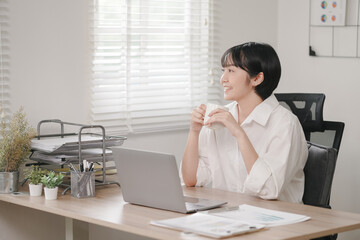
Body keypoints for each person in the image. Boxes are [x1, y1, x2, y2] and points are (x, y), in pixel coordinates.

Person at [181, 42, 308, 203]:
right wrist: (194, 131)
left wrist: (239, 133)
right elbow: (191, 180)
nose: (223, 79)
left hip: (275, 219)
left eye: (231, 71)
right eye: (223, 71)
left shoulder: (285, 124)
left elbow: (269, 189)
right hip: (229, 216)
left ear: (257, 78)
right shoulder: (220, 117)